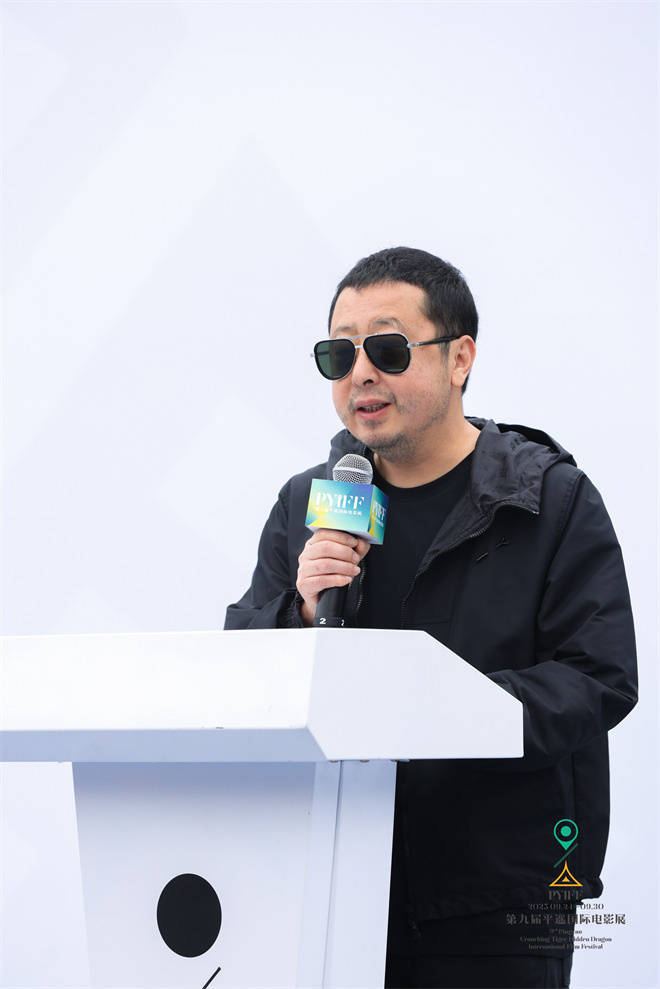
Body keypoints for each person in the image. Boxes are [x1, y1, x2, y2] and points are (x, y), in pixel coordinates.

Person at [225, 247, 638, 989]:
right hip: (329, 888)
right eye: (339, 354)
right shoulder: (307, 504)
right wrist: (301, 611)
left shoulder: (550, 500)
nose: (360, 373)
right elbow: (239, 679)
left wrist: (436, 710)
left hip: (499, 906)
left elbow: (599, 677)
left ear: (459, 358)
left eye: (387, 349)